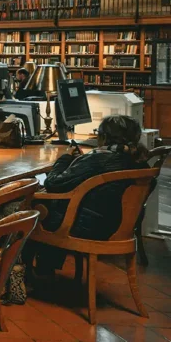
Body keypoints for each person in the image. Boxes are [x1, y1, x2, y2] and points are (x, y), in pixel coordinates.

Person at [27, 116, 150, 274]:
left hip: (86, 228)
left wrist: (66, 157)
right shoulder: (139, 159)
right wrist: (81, 163)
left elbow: (54, 183)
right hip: (117, 225)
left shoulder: (97, 159)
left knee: (32, 206)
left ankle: (29, 272)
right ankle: (45, 270)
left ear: (103, 137)